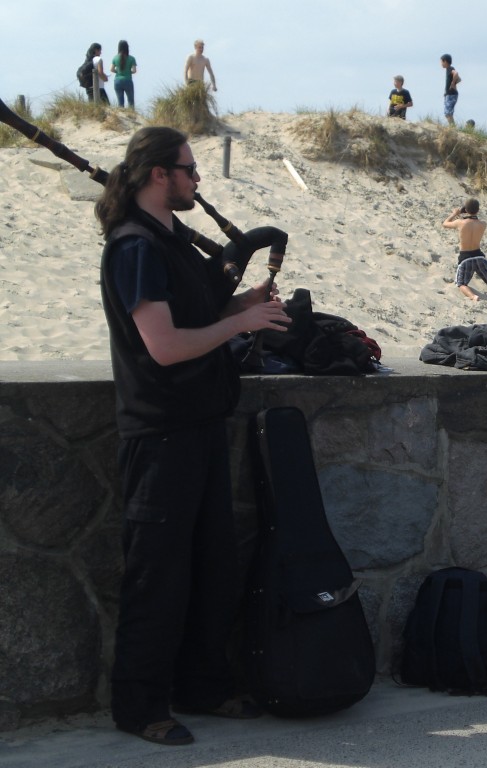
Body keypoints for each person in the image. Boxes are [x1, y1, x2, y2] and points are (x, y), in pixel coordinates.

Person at [95, 126, 290, 745]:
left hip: (202, 422)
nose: (197, 179)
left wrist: (246, 306)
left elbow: (196, 318)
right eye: (189, 169)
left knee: (212, 565)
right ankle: (141, 705)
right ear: (160, 175)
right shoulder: (134, 248)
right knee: (158, 574)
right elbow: (166, 345)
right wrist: (242, 325)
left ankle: (203, 685)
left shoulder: (170, 239)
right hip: (159, 433)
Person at [442, 198, 487, 301]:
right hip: (479, 256)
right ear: (478, 210)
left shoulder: (460, 222)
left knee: (461, 283)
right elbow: (473, 219)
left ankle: (473, 296)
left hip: (465, 258)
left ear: (465, 210)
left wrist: (455, 213)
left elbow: (445, 223)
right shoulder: (483, 224)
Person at [111, 40, 138, 109]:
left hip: (117, 81)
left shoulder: (115, 58)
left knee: (120, 102)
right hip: (128, 80)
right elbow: (134, 70)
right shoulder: (131, 58)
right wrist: (129, 72)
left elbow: (111, 69)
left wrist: (118, 72)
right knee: (131, 101)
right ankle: (132, 116)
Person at [440, 54, 459, 125]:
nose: (441, 64)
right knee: (448, 113)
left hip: (451, 94)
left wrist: (453, 83)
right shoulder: (449, 69)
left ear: (445, 61)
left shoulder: (450, 68)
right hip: (450, 93)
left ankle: (452, 127)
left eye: (441, 62)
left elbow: (456, 73)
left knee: (448, 113)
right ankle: (452, 127)